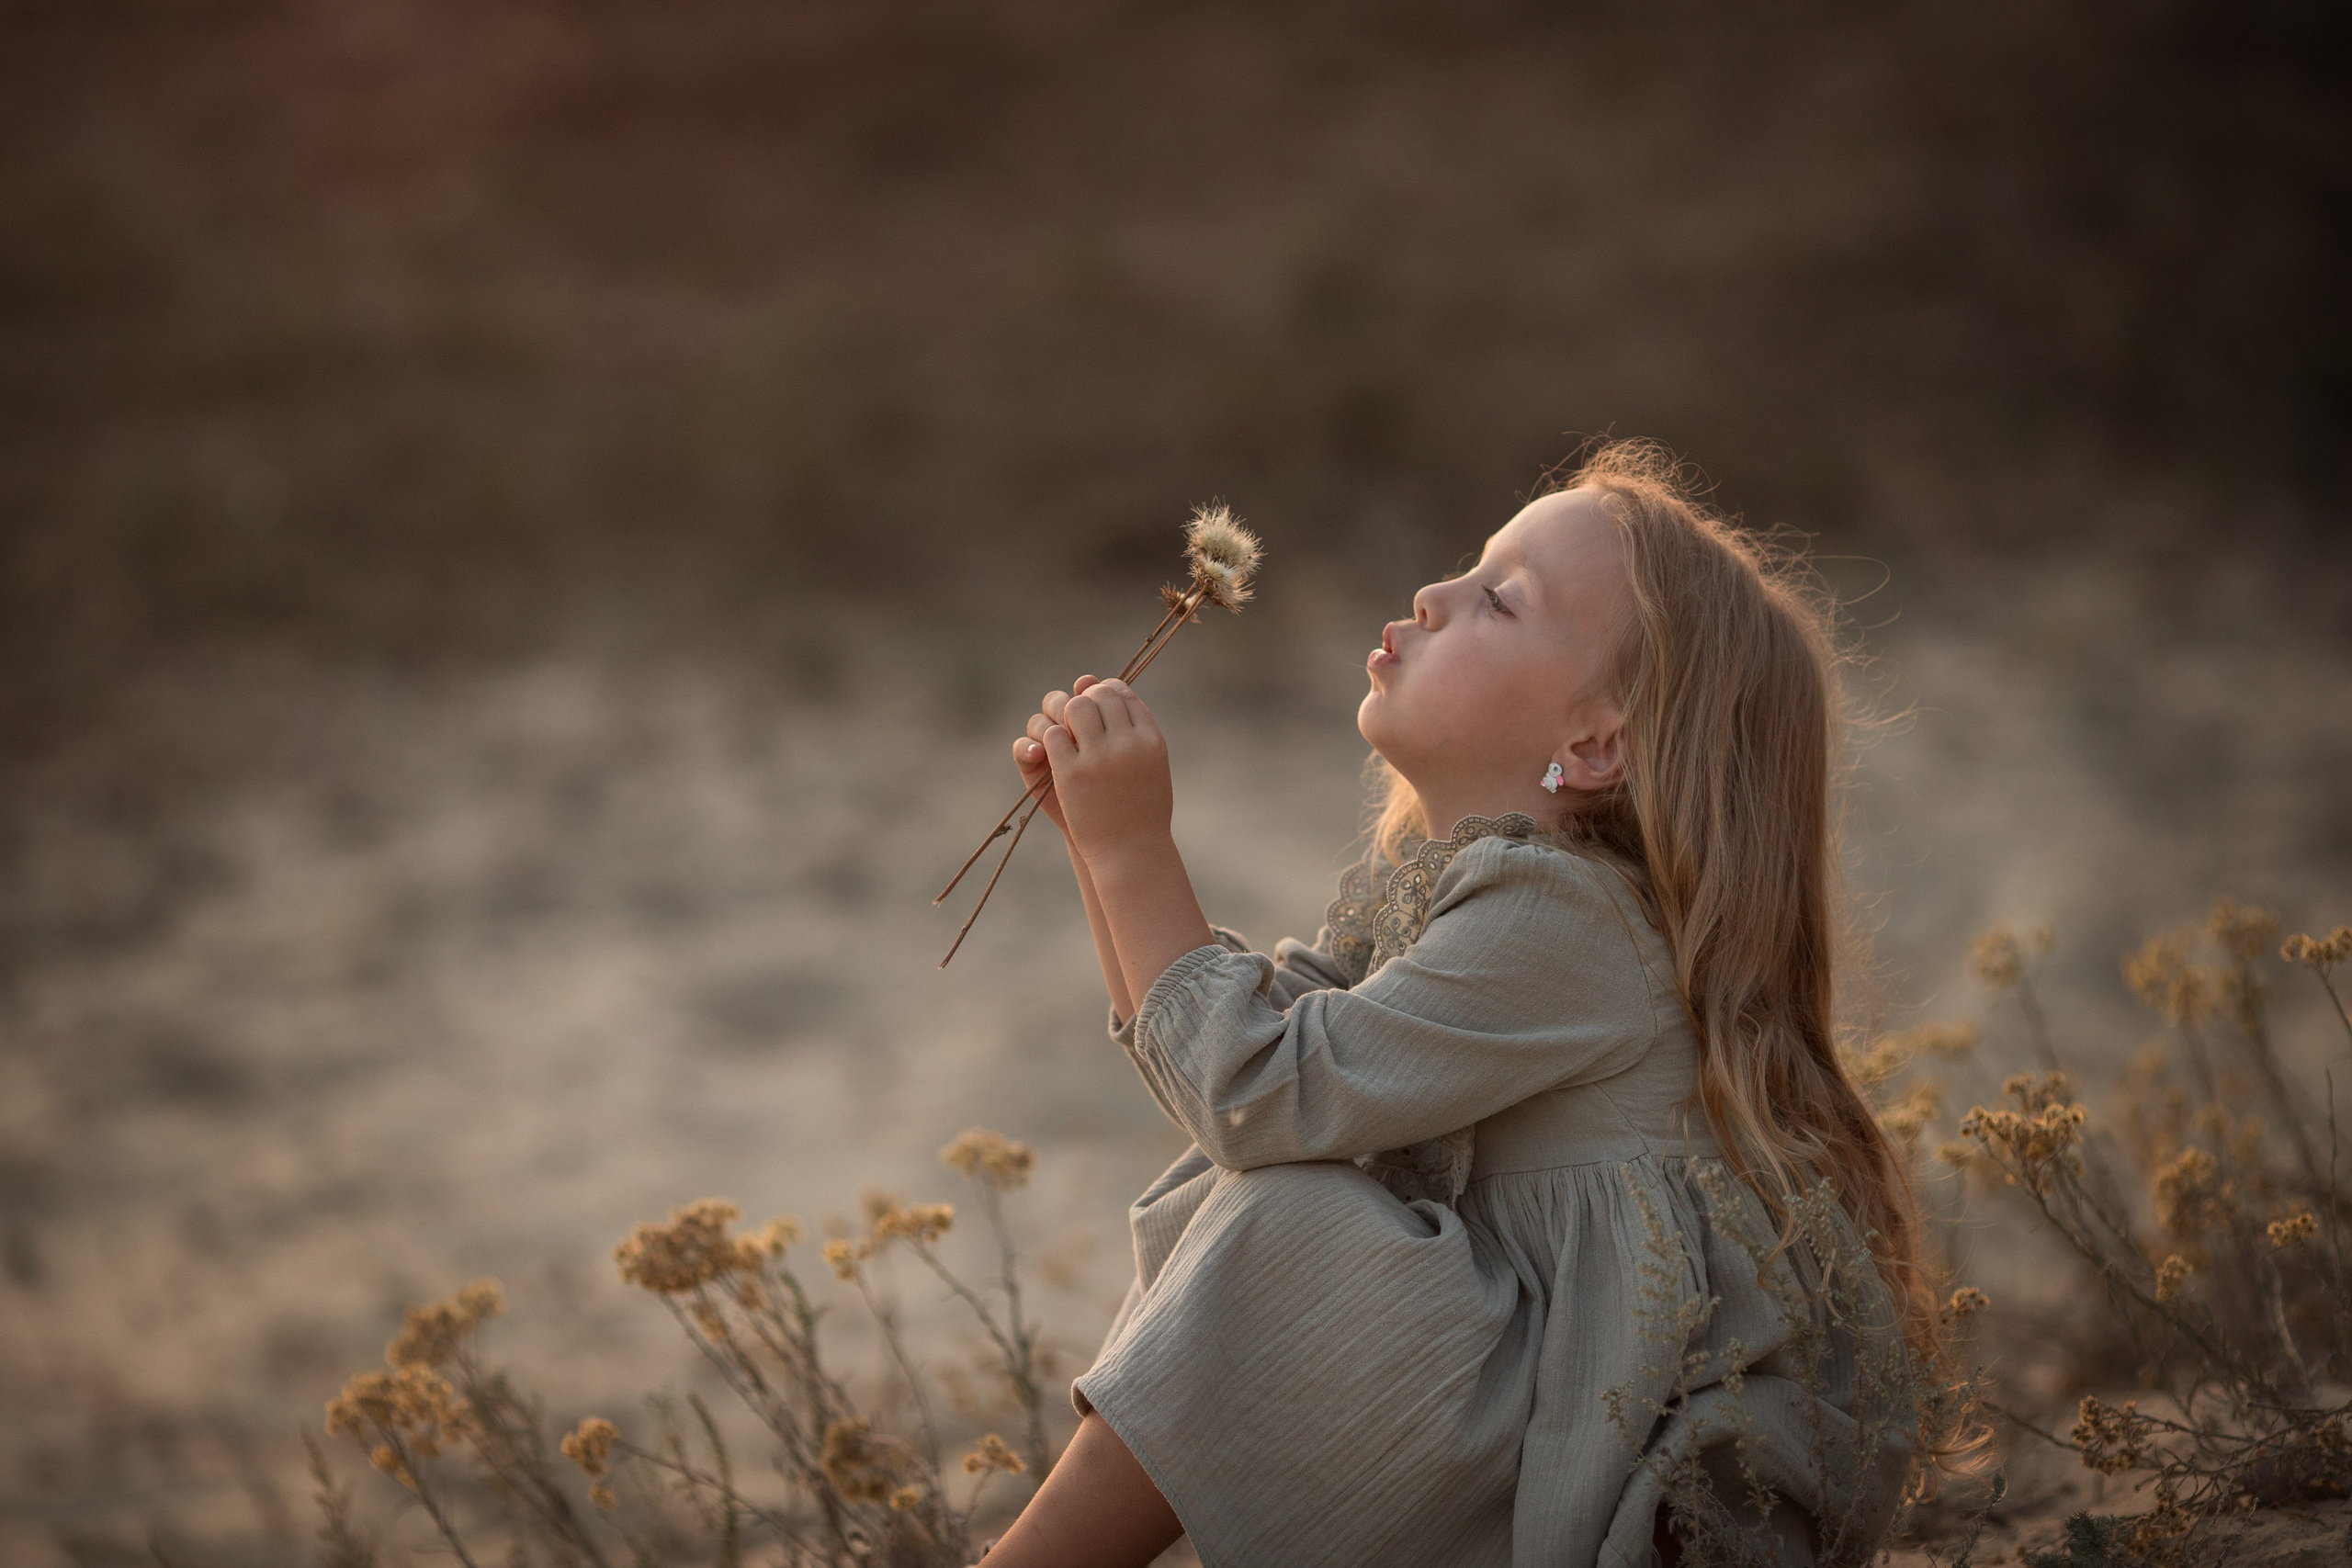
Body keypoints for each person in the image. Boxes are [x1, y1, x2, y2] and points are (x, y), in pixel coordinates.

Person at [986, 440, 1973, 1568]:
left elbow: (1252, 1089)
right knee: (1267, 1196)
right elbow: (1236, 1077)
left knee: (1291, 1224)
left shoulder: (1566, 920)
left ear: (1593, 743)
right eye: (1471, 567)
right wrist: (1094, 849)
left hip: (1618, 1487)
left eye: (1498, 602)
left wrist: (1131, 854)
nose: (1433, 593)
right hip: (1539, 1422)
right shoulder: (1467, 891)